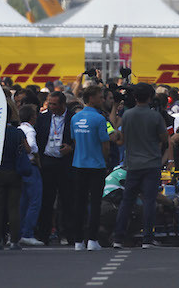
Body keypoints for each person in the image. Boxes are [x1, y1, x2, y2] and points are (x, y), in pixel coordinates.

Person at [113, 83, 167, 249]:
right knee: (149, 201)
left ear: (135, 97)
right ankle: (147, 238)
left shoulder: (127, 115)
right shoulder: (155, 116)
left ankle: (118, 237)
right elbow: (165, 138)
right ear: (150, 97)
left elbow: (120, 137)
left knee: (127, 201)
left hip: (132, 163)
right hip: (151, 163)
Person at [70, 86, 110, 251]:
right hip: (96, 166)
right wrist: (104, 160)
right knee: (95, 203)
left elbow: (74, 141)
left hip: (79, 164)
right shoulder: (100, 119)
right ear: (91, 98)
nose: (102, 100)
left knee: (79, 203)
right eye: (100, 97)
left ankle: (78, 241)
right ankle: (92, 240)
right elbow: (105, 145)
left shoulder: (75, 118)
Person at [35, 91, 75, 245]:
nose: (51, 107)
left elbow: (78, 138)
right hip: (47, 162)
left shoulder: (72, 118)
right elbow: (38, 138)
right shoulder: (43, 118)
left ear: (62, 104)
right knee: (46, 200)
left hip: (65, 163)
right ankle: (44, 234)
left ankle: (68, 234)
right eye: (49, 103)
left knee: (67, 200)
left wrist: (71, 147)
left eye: (54, 104)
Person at [0, 103, 26, 250]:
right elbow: (28, 149)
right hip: (14, 172)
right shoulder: (17, 133)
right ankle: (14, 241)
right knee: (13, 208)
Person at [17, 104, 44, 246]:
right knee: (35, 200)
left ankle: (19, 231)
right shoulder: (29, 130)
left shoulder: (18, 129)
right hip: (30, 167)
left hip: (18, 168)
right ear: (32, 117)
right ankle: (28, 233)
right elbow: (32, 147)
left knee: (23, 201)